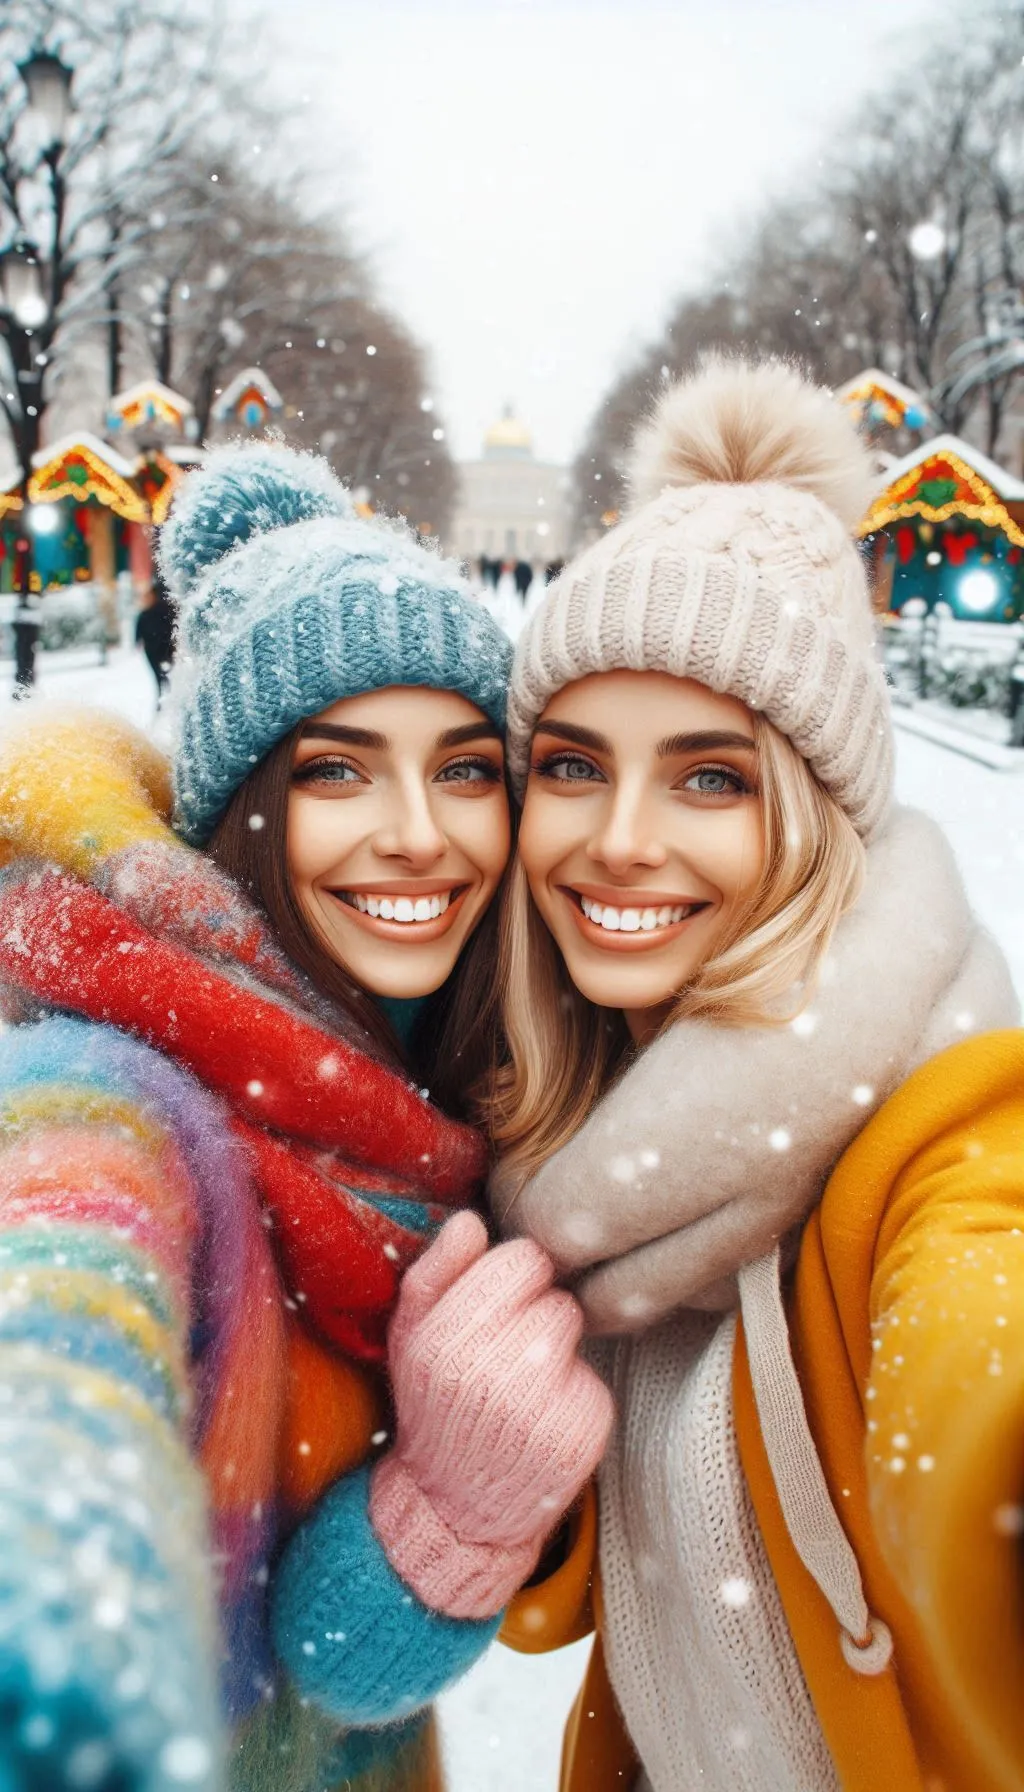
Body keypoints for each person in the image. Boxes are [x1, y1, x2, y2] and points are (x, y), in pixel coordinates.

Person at [0, 442, 611, 1792]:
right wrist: (56, 1618)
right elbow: (57, 1326)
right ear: (242, 813)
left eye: (463, 769)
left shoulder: (451, 1091)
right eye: (338, 772)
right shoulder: (118, 1095)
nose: (419, 835)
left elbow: (325, 1662)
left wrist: (440, 1522)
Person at [448, 358, 1019, 1790]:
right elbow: (561, 1600)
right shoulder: (576, 1135)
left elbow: (978, 1368)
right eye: (574, 767)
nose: (618, 842)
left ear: (816, 816)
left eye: (711, 777)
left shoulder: (942, 1140)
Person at [135, 562, 176, 703]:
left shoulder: (155, 609)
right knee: (162, 675)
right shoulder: (147, 612)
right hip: (157, 646)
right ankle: (164, 697)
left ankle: (166, 697)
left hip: (162, 645)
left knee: (166, 674)